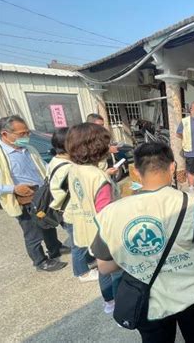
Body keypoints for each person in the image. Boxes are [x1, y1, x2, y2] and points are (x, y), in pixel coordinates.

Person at [91, 142, 194, 342]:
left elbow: (105, 266)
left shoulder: (110, 213)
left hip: (148, 302)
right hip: (192, 292)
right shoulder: (192, 204)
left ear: (135, 171)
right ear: (172, 167)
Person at [0, 115, 68, 271]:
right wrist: (13, 188)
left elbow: (44, 166)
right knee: (32, 232)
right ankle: (40, 261)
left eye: (27, 132)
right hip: (23, 199)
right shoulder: (0, 154)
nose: (26, 136)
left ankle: (55, 248)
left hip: (41, 194)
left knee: (48, 223)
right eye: (21, 134)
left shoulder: (29, 149)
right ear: (4, 134)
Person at [65, 122, 122, 313]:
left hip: (85, 228)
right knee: (114, 272)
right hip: (102, 234)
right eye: (106, 143)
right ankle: (117, 304)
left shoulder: (74, 168)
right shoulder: (98, 178)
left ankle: (109, 302)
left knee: (101, 267)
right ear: (97, 147)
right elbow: (106, 214)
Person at [48, 127, 99, 282]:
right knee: (79, 242)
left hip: (63, 210)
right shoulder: (68, 167)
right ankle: (81, 272)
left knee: (83, 239)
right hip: (72, 211)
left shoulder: (56, 161)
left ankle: (89, 261)